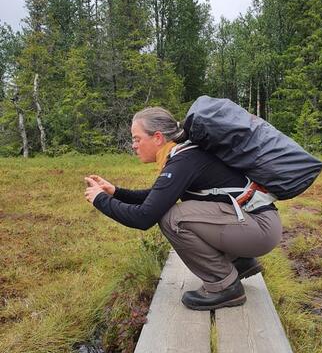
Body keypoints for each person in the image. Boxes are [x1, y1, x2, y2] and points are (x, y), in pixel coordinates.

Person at [84, 107, 282, 311]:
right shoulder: (185, 154)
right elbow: (156, 197)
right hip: (257, 224)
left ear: (158, 137)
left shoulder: (184, 160)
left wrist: (100, 200)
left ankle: (224, 285)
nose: (133, 145)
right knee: (171, 211)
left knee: (171, 218)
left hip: (259, 229)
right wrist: (114, 192)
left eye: (137, 139)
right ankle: (239, 263)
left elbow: (144, 217)